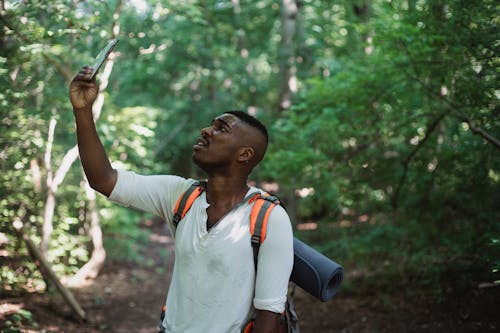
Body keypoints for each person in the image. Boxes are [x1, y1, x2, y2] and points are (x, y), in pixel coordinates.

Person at [69, 66, 294, 333]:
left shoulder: (269, 219)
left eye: (221, 128)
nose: (206, 130)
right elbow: (103, 179)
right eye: (212, 124)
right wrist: (82, 111)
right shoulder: (181, 196)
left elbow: (269, 317)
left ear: (244, 155)